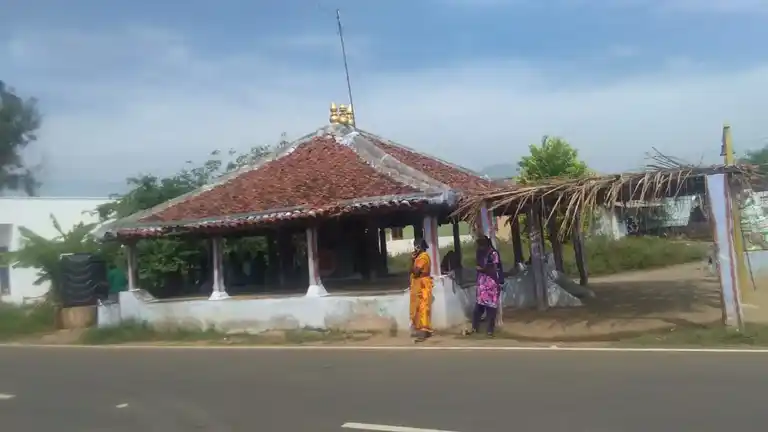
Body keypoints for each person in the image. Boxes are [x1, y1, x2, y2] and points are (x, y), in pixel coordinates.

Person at [464, 235, 504, 337]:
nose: (479, 247)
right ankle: (475, 328)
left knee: (491, 308)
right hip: (482, 284)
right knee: (479, 307)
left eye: (481, 245)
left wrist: (483, 269)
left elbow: (494, 269)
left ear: (486, 244)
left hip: (491, 284)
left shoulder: (493, 253)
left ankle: (490, 330)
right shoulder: (480, 253)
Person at [409, 238, 434, 342]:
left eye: (416, 246)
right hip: (418, 284)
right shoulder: (419, 257)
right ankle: (420, 329)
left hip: (423, 284)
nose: (415, 248)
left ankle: (424, 331)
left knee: (423, 308)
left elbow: (416, 272)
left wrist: (412, 261)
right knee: (417, 308)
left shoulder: (423, 257)